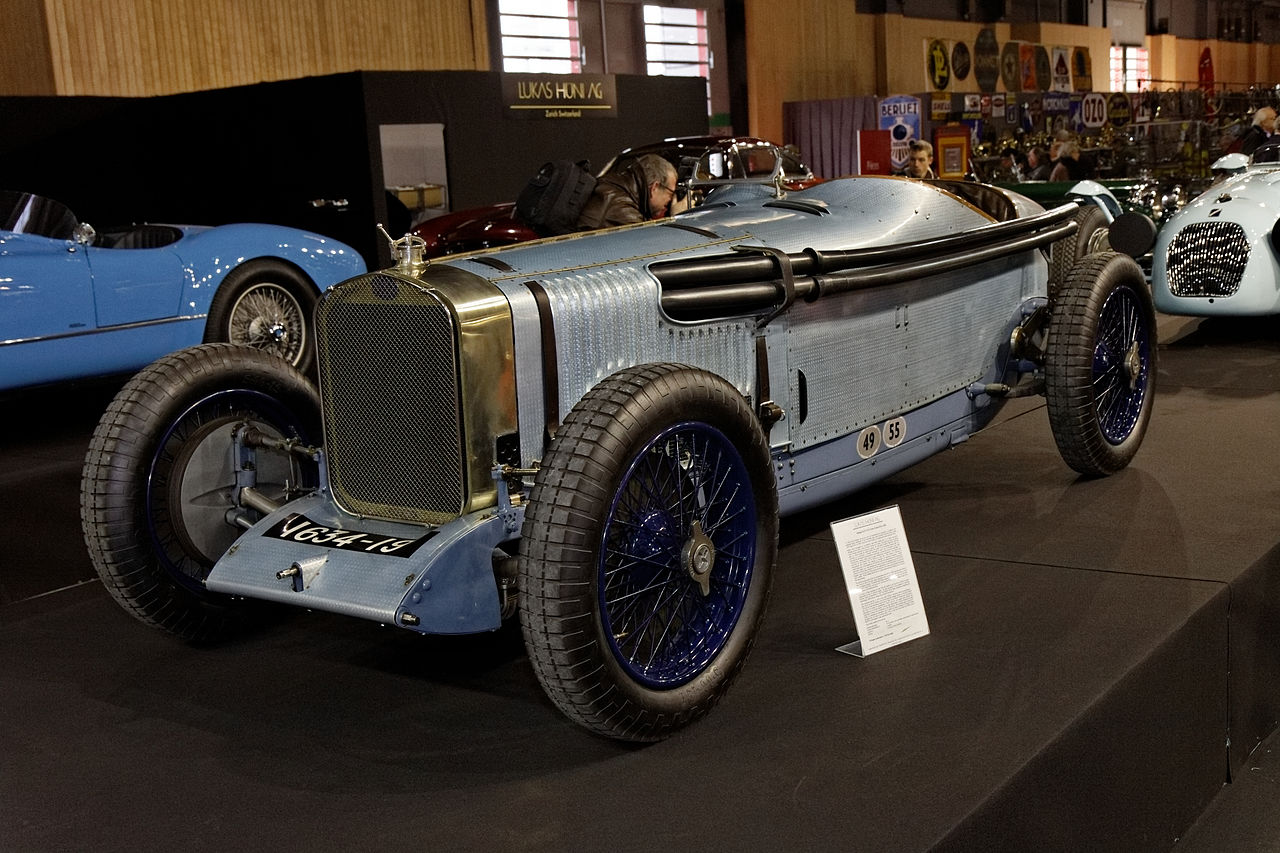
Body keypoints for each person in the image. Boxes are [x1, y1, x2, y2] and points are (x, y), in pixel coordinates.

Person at [576, 153, 678, 230]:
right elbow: (648, 248)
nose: (671, 200)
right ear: (654, 187)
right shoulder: (622, 207)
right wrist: (677, 219)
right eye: (671, 193)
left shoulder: (613, 184)